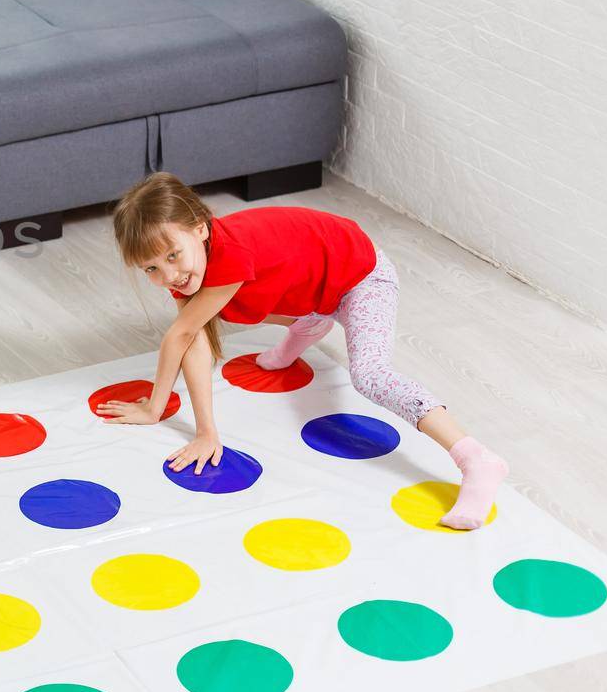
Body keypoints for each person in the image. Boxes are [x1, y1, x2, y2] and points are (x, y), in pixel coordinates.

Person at [98, 171, 507, 531]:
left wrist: (160, 411)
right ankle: (310, 321)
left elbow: (180, 336)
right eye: (152, 269)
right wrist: (201, 427)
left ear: (201, 229)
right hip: (317, 291)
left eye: (173, 257)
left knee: (369, 374)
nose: (169, 275)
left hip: (362, 280)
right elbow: (195, 340)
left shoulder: (229, 257)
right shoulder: (190, 266)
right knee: (231, 306)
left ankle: (475, 458)